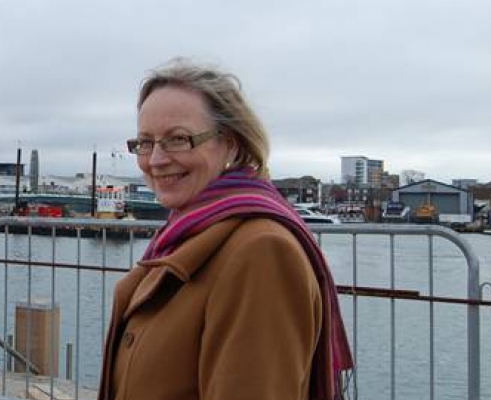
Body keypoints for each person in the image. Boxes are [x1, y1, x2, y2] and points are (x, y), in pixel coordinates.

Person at [98, 58, 353, 400]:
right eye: (145, 142)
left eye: (178, 139)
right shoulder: (187, 233)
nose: (156, 159)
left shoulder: (262, 253)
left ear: (230, 144)